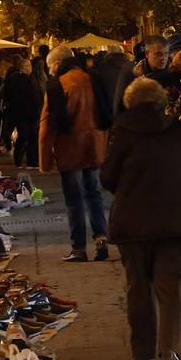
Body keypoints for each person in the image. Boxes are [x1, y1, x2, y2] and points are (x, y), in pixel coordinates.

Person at [103, 77, 181, 360]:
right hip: (175, 220)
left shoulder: (122, 132)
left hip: (132, 222)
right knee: (170, 288)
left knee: (138, 287)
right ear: (161, 101)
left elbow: (107, 177)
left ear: (129, 102)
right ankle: (169, 351)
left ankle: (141, 351)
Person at [40, 50, 111, 262]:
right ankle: (101, 239)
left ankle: (79, 248)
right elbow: (105, 114)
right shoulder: (93, 79)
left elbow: (46, 127)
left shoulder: (57, 85)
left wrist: (45, 161)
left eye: (51, 66)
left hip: (70, 149)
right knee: (94, 194)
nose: (50, 70)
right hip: (94, 145)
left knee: (74, 199)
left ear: (58, 63)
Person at [114, 35, 173, 113]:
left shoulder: (173, 72)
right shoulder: (131, 73)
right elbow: (120, 105)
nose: (163, 58)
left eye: (166, 53)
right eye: (158, 54)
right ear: (147, 54)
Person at [3, 56, 41, 168]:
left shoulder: (26, 79)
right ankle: (26, 160)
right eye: (27, 66)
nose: (30, 68)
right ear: (22, 67)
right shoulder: (22, 80)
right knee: (26, 136)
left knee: (29, 137)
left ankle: (27, 160)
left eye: (30, 65)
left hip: (26, 113)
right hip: (25, 113)